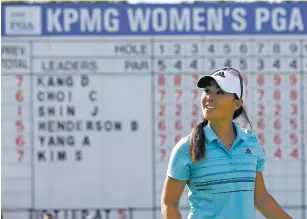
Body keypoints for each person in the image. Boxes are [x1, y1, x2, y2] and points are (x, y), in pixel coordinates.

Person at [161, 68, 292, 219]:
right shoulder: (186, 147)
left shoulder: (251, 142)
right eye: (207, 90)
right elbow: (169, 203)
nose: (209, 97)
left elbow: (260, 198)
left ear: (237, 103)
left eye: (220, 92)